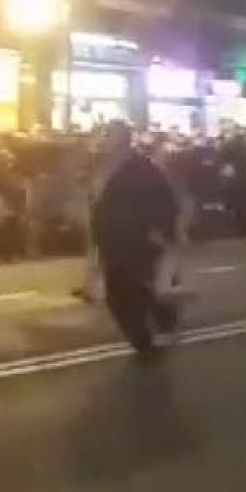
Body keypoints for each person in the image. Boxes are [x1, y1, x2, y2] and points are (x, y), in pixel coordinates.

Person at [90, 121, 181, 357]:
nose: (106, 140)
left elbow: (165, 201)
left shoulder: (142, 168)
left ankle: (143, 342)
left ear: (122, 139)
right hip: (111, 239)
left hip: (138, 238)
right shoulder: (103, 167)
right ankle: (161, 313)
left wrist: (162, 231)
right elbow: (97, 203)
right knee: (126, 291)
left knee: (129, 290)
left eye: (110, 136)